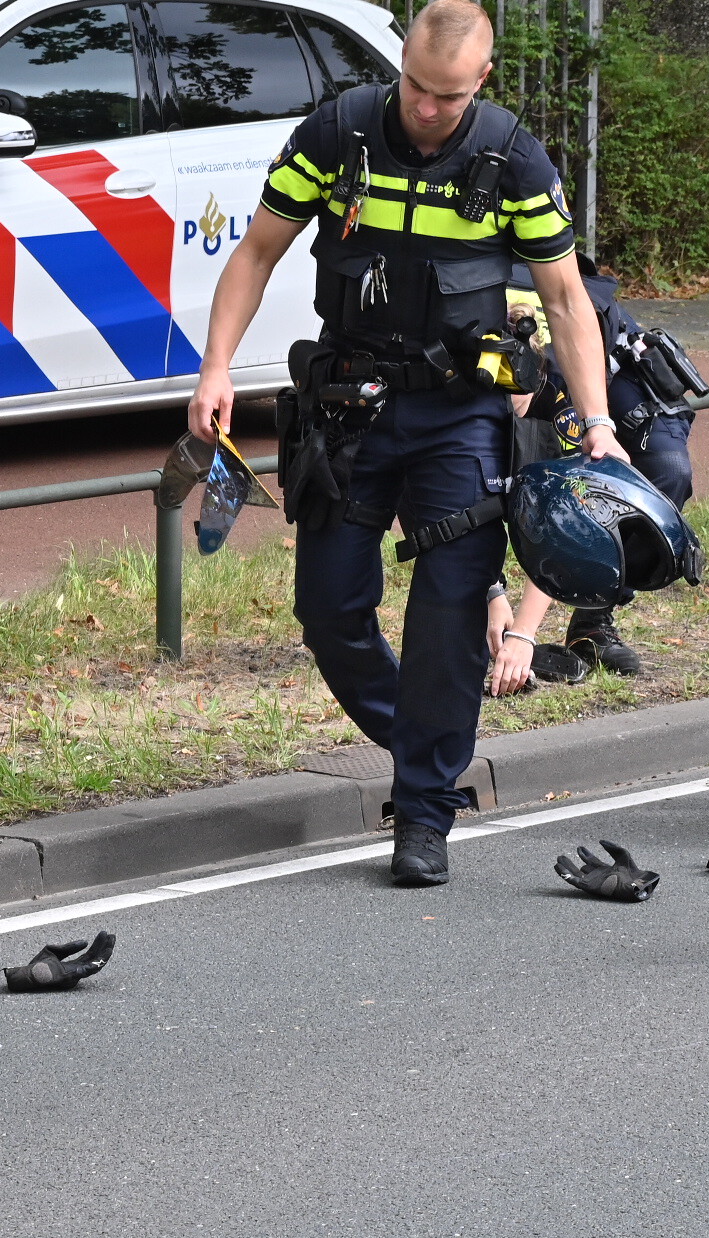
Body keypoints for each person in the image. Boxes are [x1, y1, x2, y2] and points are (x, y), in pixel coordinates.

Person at [185, 0, 626, 887]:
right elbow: (257, 254)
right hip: (348, 412)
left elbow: (571, 302)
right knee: (330, 613)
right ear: (401, 64)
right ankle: (427, 742)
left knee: (447, 621)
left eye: (448, 96)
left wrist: (602, 430)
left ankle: (424, 812)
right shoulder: (336, 135)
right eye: (418, 88)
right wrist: (216, 367)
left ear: (482, 82)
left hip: (460, 417)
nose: (428, 109)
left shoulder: (511, 159)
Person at [486, 283, 700, 692]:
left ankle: (593, 620)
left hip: (600, 357)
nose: (503, 412)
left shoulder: (560, 391)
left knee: (666, 470)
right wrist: (492, 595)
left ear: (535, 377)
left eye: (512, 402)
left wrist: (523, 632)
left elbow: (567, 519)